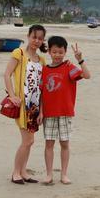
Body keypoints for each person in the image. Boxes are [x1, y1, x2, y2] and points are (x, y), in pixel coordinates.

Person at [37, 36, 91, 185]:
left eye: (60, 52)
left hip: (65, 112)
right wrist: (41, 112)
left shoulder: (69, 67)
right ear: (49, 52)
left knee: (65, 144)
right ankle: (49, 174)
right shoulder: (44, 70)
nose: (57, 55)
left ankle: (64, 174)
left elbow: (87, 75)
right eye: (54, 52)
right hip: (49, 113)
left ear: (65, 52)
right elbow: (41, 93)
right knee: (49, 144)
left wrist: (80, 60)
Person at [3, 24, 47, 184]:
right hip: (23, 105)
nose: (37, 41)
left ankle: (23, 171)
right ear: (28, 36)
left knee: (30, 141)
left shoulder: (42, 60)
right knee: (27, 141)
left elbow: (42, 87)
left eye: (40, 38)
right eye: (34, 37)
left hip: (35, 106)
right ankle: (16, 172)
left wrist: (41, 111)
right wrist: (12, 95)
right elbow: (7, 74)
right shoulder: (19, 53)